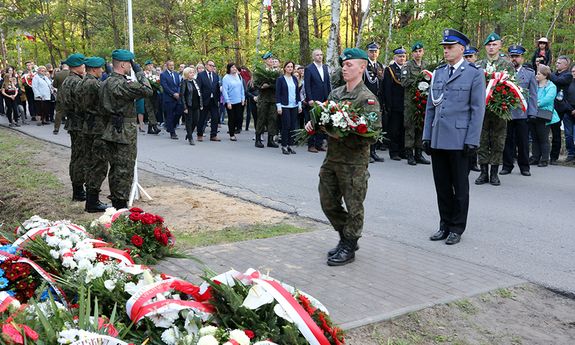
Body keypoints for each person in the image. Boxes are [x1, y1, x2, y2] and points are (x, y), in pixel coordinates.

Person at [305, 47, 381, 266]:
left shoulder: (367, 99)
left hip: (353, 163)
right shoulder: (335, 94)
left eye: (349, 65)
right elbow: (324, 120)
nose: (344, 68)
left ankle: (348, 245)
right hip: (332, 159)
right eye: (343, 65)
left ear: (362, 67)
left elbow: (372, 135)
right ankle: (347, 236)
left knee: (354, 205)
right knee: (327, 202)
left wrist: (344, 131)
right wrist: (315, 124)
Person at [423, 28, 486, 245]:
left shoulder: (474, 73)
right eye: (444, 47)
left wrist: (472, 140)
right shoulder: (439, 72)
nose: (446, 51)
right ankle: (444, 224)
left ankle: (457, 228)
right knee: (441, 186)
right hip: (439, 137)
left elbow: (478, 110)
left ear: (462, 48)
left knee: (460, 187)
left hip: (460, 140)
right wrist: (427, 135)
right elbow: (431, 106)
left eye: (450, 47)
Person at [99, 49, 153, 210]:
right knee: (125, 168)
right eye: (130, 63)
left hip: (110, 128)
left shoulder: (106, 82)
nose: (131, 66)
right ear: (123, 64)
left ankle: (117, 202)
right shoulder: (122, 83)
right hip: (123, 130)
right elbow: (147, 90)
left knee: (116, 168)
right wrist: (139, 71)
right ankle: (120, 206)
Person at [475, 32, 515, 186]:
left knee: (499, 140)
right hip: (482, 110)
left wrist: (502, 100)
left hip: (500, 110)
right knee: (482, 140)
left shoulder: (507, 65)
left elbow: (513, 87)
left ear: (500, 46)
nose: (491, 47)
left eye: (494, 45)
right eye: (489, 45)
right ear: (485, 47)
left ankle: (494, 173)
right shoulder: (478, 65)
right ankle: (483, 172)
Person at [75, 56, 110, 213]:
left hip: (87, 126)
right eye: (101, 68)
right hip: (97, 127)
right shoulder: (93, 84)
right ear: (94, 69)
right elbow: (103, 105)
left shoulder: (81, 82)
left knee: (90, 162)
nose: (102, 71)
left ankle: (91, 200)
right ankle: (92, 202)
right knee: (99, 164)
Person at [500, 45, 537, 177]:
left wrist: (533, 112)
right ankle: (507, 165)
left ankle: (524, 167)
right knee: (507, 141)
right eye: (512, 56)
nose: (514, 59)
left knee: (523, 142)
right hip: (506, 113)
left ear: (522, 58)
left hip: (522, 113)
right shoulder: (503, 72)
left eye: (517, 56)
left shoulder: (529, 73)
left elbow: (533, 95)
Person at [60, 53, 87, 201]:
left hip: (74, 122)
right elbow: (81, 104)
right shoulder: (76, 82)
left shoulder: (68, 80)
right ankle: (78, 190)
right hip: (79, 123)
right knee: (80, 157)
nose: (85, 67)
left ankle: (78, 189)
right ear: (77, 66)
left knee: (77, 156)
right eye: (83, 64)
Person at [401, 42, 431, 166]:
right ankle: (409, 154)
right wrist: (419, 81)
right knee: (410, 127)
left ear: (423, 52)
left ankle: (419, 153)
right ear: (412, 53)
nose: (418, 53)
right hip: (411, 101)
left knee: (420, 127)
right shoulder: (407, 66)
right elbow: (404, 82)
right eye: (415, 51)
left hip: (423, 101)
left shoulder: (426, 65)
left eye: (420, 51)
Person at [529, 65, 558, 167]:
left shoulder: (551, 86)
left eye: (538, 73)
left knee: (543, 138)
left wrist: (534, 104)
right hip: (533, 113)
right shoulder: (534, 85)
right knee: (534, 137)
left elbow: (548, 99)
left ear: (545, 75)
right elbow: (530, 95)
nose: (536, 75)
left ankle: (544, 159)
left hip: (544, 115)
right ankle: (535, 157)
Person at [304, 49, 331, 153]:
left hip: (324, 98)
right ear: (313, 57)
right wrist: (309, 99)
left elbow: (327, 83)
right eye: (317, 55)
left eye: (321, 55)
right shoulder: (309, 69)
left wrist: (329, 97)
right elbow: (307, 85)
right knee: (312, 121)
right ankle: (311, 145)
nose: (320, 57)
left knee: (322, 120)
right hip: (314, 98)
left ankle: (319, 144)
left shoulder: (325, 67)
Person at [548, 56, 573, 164]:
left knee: (556, 133)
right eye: (556, 62)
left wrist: (548, 73)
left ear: (565, 65)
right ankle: (542, 155)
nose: (557, 64)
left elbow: (558, 81)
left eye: (559, 63)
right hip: (550, 106)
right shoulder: (555, 73)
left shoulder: (568, 75)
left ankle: (554, 157)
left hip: (560, 108)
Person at [383, 47, 407, 160]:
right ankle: (394, 152)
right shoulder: (390, 69)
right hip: (395, 104)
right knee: (394, 129)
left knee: (403, 129)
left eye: (403, 56)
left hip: (405, 104)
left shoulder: (407, 68)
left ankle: (402, 151)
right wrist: (388, 105)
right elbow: (387, 89)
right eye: (399, 56)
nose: (402, 58)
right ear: (395, 57)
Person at [363, 42, 386, 163]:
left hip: (378, 99)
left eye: (375, 51)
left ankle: (373, 151)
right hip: (367, 100)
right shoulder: (364, 65)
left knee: (376, 126)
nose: (373, 53)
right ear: (368, 52)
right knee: (367, 125)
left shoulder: (380, 66)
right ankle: (366, 152)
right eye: (371, 51)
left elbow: (382, 84)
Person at [275, 61, 302, 155]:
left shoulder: (294, 78)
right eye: (288, 66)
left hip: (294, 105)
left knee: (292, 126)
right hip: (284, 106)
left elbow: (297, 93)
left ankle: (290, 145)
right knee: (286, 126)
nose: (290, 68)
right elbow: (277, 94)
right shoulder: (280, 79)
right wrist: (278, 106)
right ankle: (284, 146)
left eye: (291, 67)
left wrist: (299, 105)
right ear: (285, 68)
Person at [254, 52, 279, 148]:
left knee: (272, 119)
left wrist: (270, 85)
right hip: (263, 99)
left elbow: (278, 84)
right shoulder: (260, 71)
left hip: (273, 99)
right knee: (261, 118)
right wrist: (262, 86)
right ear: (264, 60)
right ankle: (258, 139)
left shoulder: (276, 71)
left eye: (272, 59)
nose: (271, 61)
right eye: (269, 59)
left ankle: (270, 140)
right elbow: (255, 84)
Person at [463, 46, 480, 172]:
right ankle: (467, 162)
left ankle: (474, 162)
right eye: (466, 56)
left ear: (476, 57)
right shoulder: (461, 70)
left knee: (474, 136)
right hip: (463, 110)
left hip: (476, 108)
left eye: (470, 56)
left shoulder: (478, 71)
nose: (468, 59)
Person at [197, 60, 221, 141]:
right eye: (210, 65)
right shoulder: (201, 75)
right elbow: (199, 89)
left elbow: (217, 88)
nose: (212, 67)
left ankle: (213, 135)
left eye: (213, 66)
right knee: (202, 118)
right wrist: (199, 101)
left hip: (213, 100)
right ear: (206, 66)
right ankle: (199, 134)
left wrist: (218, 99)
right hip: (204, 100)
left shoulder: (215, 75)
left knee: (215, 118)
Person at [221, 62, 246, 141]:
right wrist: (228, 101)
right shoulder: (226, 78)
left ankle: (235, 129)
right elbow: (224, 91)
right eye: (232, 67)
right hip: (230, 102)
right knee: (231, 118)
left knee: (238, 117)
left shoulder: (239, 76)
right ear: (229, 69)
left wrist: (243, 98)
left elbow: (242, 88)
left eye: (235, 67)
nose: (234, 68)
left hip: (239, 101)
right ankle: (232, 134)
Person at [180, 66, 203, 145]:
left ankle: (188, 133)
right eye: (190, 72)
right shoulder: (184, 82)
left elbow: (199, 93)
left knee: (196, 121)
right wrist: (184, 107)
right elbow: (182, 95)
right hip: (189, 105)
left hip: (196, 105)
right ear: (186, 74)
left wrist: (201, 104)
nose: (192, 74)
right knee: (189, 122)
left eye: (193, 72)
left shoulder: (195, 81)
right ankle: (190, 138)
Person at [160, 60, 182, 139]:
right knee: (170, 115)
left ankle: (170, 126)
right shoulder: (163, 75)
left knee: (179, 112)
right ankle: (172, 133)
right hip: (169, 98)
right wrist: (173, 94)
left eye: (173, 65)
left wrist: (178, 93)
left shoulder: (176, 74)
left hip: (177, 97)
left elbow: (179, 84)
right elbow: (165, 86)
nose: (172, 67)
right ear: (167, 66)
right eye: (170, 65)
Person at [143, 60, 161, 135]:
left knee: (155, 109)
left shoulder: (155, 73)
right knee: (150, 110)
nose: (151, 66)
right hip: (147, 94)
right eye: (149, 65)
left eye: (151, 65)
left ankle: (150, 129)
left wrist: (157, 85)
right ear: (146, 66)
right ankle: (155, 126)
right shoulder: (143, 73)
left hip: (155, 93)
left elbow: (158, 81)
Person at [564, 65, 575, 163]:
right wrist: (571, 109)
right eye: (572, 71)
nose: (574, 73)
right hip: (568, 112)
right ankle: (571, 154)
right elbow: (563, 98)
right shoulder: (567, 83)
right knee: (568, 135)